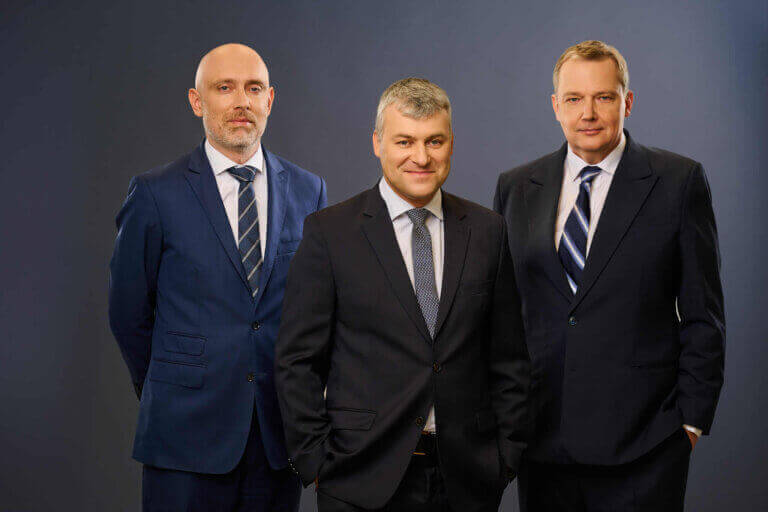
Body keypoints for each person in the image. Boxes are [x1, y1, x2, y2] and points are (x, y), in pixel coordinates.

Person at [275, 78, 530, 512]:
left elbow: (510, 358)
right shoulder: (330, 233)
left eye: (435, 141)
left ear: (451, 144)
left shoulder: (488, 231)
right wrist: (314, 461)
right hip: (359, 477)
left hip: (467, 479)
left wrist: (506, 457)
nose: (421, 157)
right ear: (378, 143)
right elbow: (297, 361)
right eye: (404, 141)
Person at [494, 40, 725, 511]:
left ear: (628, 101)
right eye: (574, 98)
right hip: (542, 442)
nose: (589, 113)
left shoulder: (678, 181)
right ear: (556, 106)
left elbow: (704, 315)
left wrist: (689, 425)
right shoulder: (516, 187)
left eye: (604, 97)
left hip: (645, 445)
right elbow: (503, 315)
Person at [108, 43, 327, 511]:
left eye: (254, 88)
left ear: (270, 100)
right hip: (183, 434)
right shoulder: (155, 192)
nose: (241, 101)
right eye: (224, 88)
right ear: (197, 101)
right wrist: (173, 383)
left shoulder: (309, 190)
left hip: (276, 436)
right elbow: (128, 313)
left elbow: (318, 310)